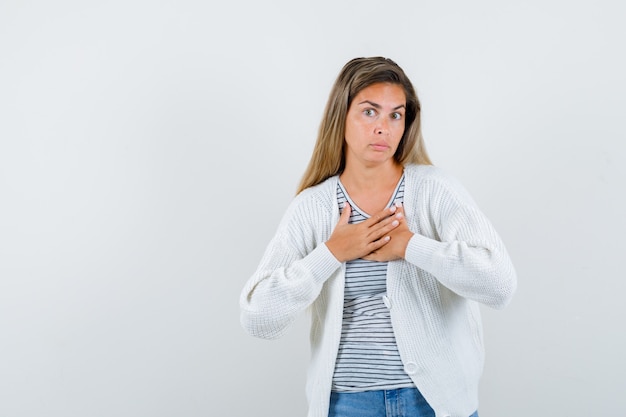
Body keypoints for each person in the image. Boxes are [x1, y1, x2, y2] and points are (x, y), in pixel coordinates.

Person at [239, 56, 517, 417]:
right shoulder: (312, 208)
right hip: (347, 405)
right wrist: (331, 253)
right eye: (370, 112)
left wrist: (411, 246)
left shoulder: (436, 191)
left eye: (395, 115)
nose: (383, 127)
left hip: (435, 403)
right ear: (341, 117)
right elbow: (258, 318)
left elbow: (501, 286)